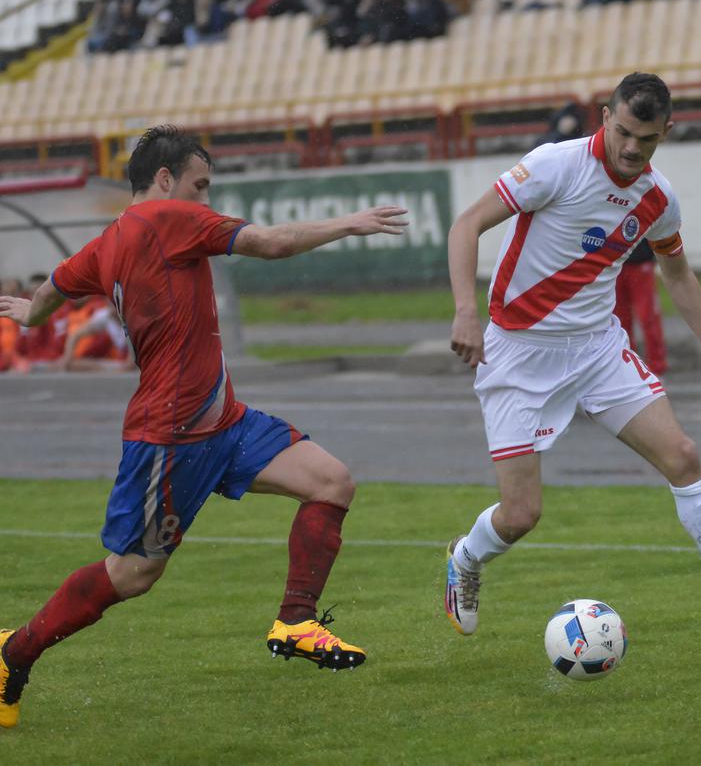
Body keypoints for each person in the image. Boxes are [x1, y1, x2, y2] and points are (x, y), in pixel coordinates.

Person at [0, 126, 409, 729]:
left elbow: (54, 290)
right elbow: (269, 243)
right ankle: (14, 652)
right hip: (169, 437)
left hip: (225, 422)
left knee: (331, 481)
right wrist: (348, 223)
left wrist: (30, 313)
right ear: (164, 181)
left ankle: (296, 619)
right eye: (201, 185)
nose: (206, 201)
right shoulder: (169, 216)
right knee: (132, 575)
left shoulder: (107, 242)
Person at [445, 73, 701, 647]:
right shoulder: (556, 165)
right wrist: (463, 311)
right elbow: (467, 225)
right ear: (605, 116)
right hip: (517, 354)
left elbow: (677, 273)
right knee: (521, 514)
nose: (632, 148)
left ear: (666, 133)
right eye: (625, 132)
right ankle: (465, 557)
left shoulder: (658, 197)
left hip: (597, 350)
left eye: (647, 139)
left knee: (684, 456)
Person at [613, 240, 668, 375]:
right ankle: (625, 367)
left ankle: (657, 367)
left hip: (641, 262)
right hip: (616, 264)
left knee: (648, 317)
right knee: (620, 321)